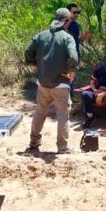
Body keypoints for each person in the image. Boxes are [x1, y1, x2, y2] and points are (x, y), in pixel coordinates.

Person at [25, 8, 79, 154]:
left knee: (40, 112)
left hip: (43, 83)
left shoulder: (41, 35)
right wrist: (72, 71)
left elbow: (28, 52)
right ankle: (62, 147)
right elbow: (73, 57)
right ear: (66, 21)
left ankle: (33, 142)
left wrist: (34, 63)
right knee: (63, 115)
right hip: (61, 83)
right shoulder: (67, 38)